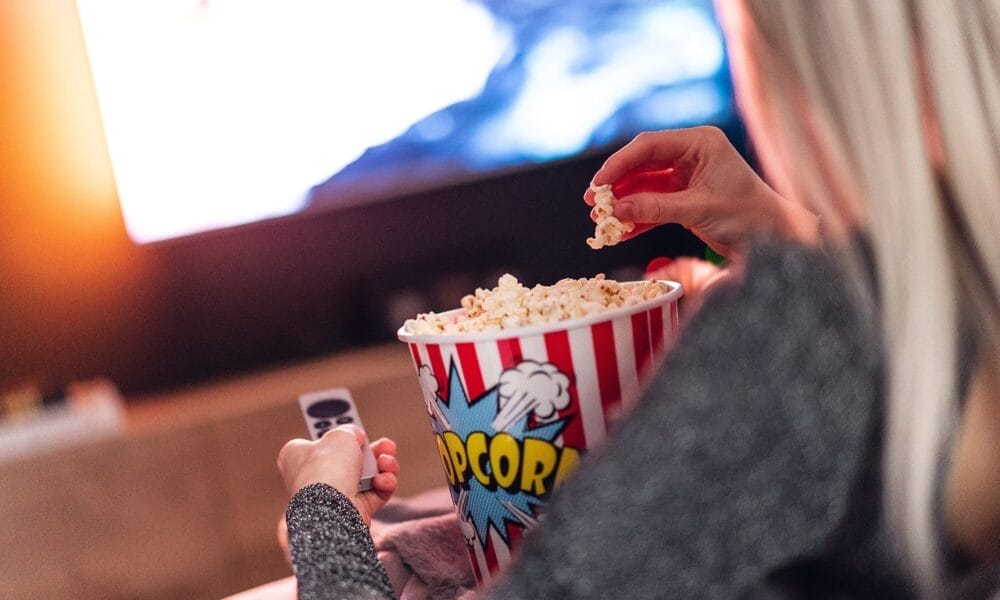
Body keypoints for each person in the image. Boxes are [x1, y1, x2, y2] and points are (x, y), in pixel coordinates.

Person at [276, 0, 1000, 598]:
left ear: (788, 56)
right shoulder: (948, 304)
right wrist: (789, 230)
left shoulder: (793, 331)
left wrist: (321, 506)